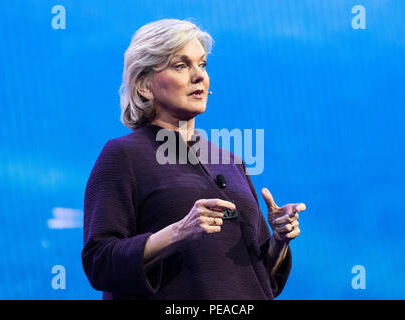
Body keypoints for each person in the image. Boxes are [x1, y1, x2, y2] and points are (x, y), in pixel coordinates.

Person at [82, 18, 307, 300]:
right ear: (144, 86)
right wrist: (178, 232)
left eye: (202, 64)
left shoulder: (230, 161)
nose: (198, 75)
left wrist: (278, 240)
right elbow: (99, 263)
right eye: (181, 65)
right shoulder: (122, 156)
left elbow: (261, 280)